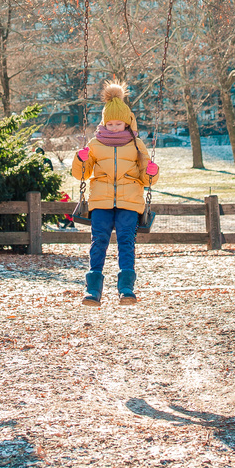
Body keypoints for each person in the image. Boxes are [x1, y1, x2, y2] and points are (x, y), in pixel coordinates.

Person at [71, 82, 159, 307]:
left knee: (126, 241)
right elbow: (82, 173)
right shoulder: (95, 143)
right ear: (103, 122)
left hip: (130, 200)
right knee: (98, 240)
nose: (113, 128)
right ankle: (93, 290)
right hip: (101, 199)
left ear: (127, 122)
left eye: (118, 123)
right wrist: (80, 159)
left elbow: (145, 178)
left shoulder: (137, 145)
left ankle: (126, 288)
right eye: (109, 124)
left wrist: (151, 172)